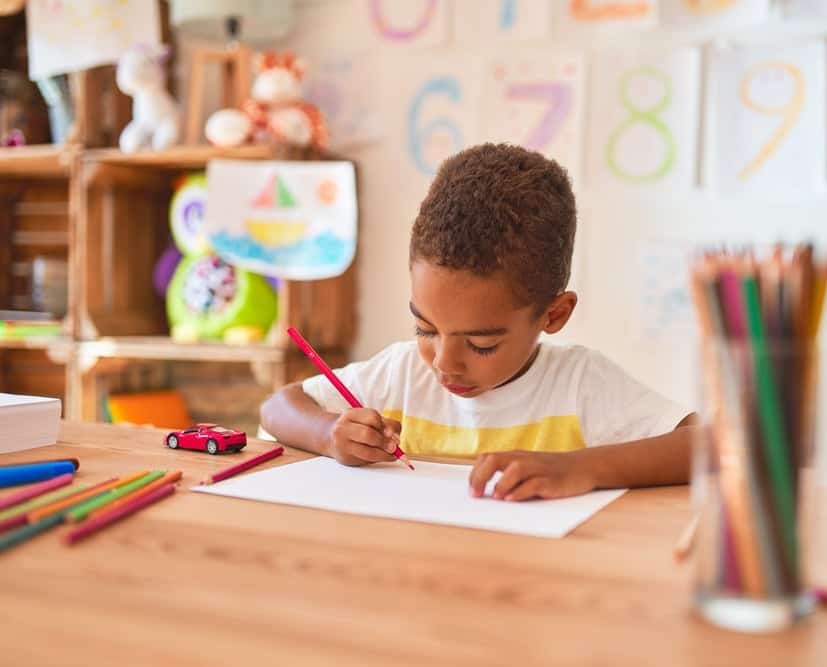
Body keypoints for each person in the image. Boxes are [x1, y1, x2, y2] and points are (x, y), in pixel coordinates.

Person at [261, 143, 695, 501]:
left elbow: (711, 445)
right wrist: (328, 435)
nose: (445, 362)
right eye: (425, 329)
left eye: (482, 344)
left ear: (554, 314)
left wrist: (578, 468)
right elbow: (277, 407)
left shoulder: (579, 385)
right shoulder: (401, 373)